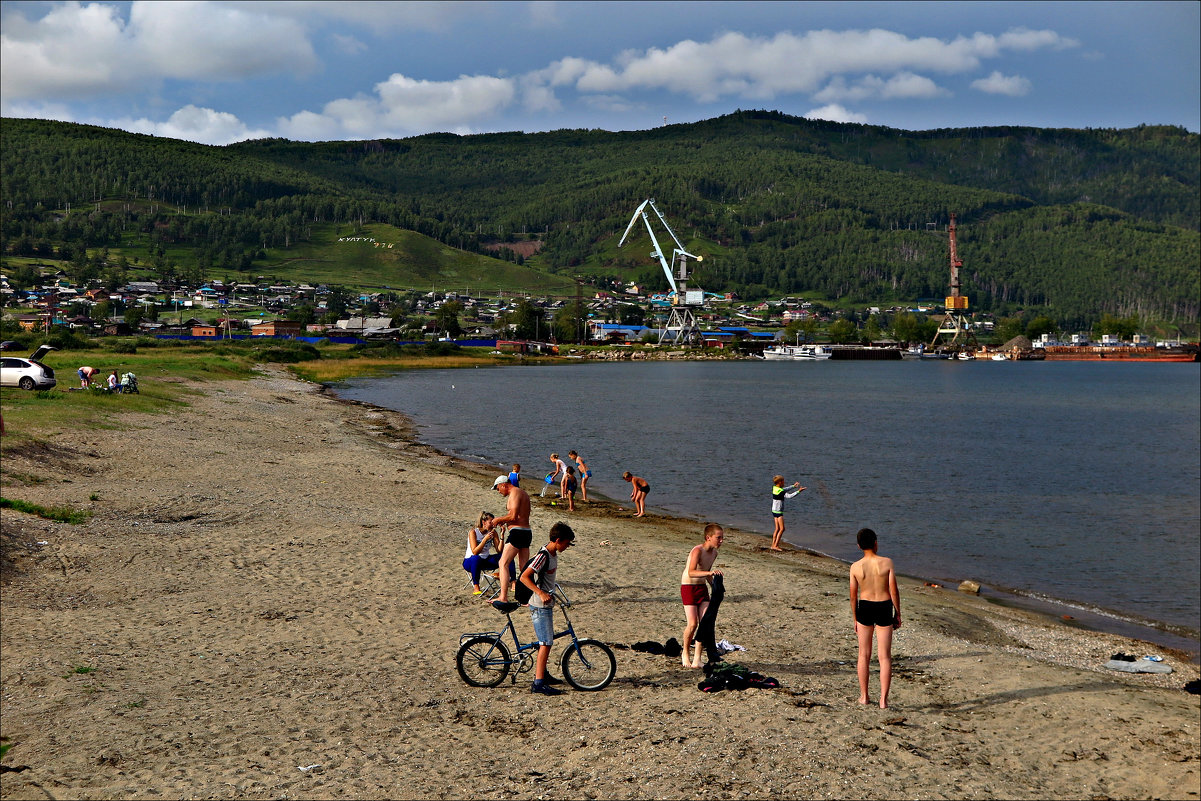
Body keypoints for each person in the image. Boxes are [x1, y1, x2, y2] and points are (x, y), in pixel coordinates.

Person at [849, 528, 901, 709]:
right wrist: (898, 613)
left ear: (858, 546)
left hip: (865, 607)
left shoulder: (855, 567)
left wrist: (855, 618)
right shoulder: (887, 563)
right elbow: (893, 590)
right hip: (884, 606)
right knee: (884, 657)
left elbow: (853, 596)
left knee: (863, 654)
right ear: (876, 543)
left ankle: (864, 696)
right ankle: (883, 700)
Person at [521, 521, 576, 695]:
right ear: (558, 539)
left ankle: (543, 674)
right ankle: (538, 683)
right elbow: (524, 577)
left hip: (546, 604)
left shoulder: (553, 553)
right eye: (566, 543)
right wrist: (541, 593)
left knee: (546, 640)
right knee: (546, 642)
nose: (567, 547)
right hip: (539, 605)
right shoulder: (543, 556)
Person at [680, 523, 724, 669]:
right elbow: (691, 572)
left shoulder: (714, 554)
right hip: (688, 588)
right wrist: (709, 574)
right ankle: (685, 653)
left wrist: (716, 587)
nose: (721, 541)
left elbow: (706, 573)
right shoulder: (697, 551)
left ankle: (697, 658)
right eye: (718, 538)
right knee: (693, 624)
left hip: (702, 588)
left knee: (705, 624)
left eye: (722, 538)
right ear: (708, 537)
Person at [482, 475, 531, 604]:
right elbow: (518, 516)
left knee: (503, 563)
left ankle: (503, 597)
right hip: (526, 532)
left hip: (518, 533)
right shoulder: (523, 493)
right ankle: (526, 599)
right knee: (524, 567)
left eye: (498, 489)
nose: (499, 492)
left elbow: (513, 515)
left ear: (503, 484)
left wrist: (498, 520)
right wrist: (505, 521)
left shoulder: (514, 492)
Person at [462, 511, 504, 595]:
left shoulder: (493, 532)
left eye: (493, 522)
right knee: (476, 558)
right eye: (490, 522)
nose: (493, 524)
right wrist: (485, 539)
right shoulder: (473, 532)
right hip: (470, 561)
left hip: (485, 560)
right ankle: (476, 586)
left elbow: (499, 550)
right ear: (483, 522)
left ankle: (512, 582)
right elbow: (475, 552)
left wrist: (502, 536)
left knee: (505, 556)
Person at [770, 476, 805, 551]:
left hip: (773, 510)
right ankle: (776, 545)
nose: (784, 483)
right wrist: (798, 491)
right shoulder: (781, 492)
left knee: (777, 528)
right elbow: (789, 496)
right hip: (779, 512)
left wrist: (793, 486)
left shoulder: (775, 488)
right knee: (782, 529)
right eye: (783, 481)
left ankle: (773, 545)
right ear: (780, 482)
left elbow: (784, 489)